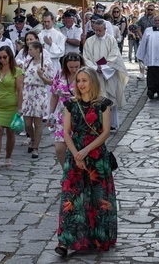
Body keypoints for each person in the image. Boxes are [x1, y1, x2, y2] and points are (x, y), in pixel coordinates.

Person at [55, 67, 117, 256]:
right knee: (72, 199)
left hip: (96, 155)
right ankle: (65, 242)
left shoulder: (103, 104)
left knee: (98, 198)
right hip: (76, 155)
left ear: (93, 82)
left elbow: (105, 132)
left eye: (84, 80)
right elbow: (66, 132)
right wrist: (76, 154)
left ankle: (98, 237)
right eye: (78, 81)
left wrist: (86, 151)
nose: (81, 84)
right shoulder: (70, 105)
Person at [82, 19, 129, 130]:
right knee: (96, 99)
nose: (97, 33)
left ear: (105, 29)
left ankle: (112, 124)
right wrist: (94, 67)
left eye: (100, 30)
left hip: (109, 74)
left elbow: (115, 56)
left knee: (110, 98)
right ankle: (97, 124)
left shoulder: (111, 40)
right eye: (96, 30)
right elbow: (86, 57)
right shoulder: (89, 41)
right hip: (94, 75)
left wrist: (103, 67)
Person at [0, 46, 23, 172]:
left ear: (10, 56)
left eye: (5, 57)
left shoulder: (17, 71)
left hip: (11, 104)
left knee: (10, 131)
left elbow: (19, 90)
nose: (2, 60)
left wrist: (19, 107)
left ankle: (8, 156)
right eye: (0, 57)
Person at [48, 53, 84, 167]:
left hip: (80, 116)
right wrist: (51, 114)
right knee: (59, 148)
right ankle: (66, 171)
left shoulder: (85, 75)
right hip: (62, 115)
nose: (74, 70)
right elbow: (54, 95)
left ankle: (77, 173)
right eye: (71, 67)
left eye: (76, 67)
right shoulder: (60, 74)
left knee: (77, 149)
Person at [21, 41, 53, 159]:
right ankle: (33, 138)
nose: (29, 51)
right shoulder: (26, 63)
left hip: (39, 92)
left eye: (31, 49)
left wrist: (41, 76)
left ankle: (36, 147)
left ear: (38, 50)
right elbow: (23, 77)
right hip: (27, 92)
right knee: (27, 122)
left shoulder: (46, 64)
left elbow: (51, 81)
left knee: (38, 122)